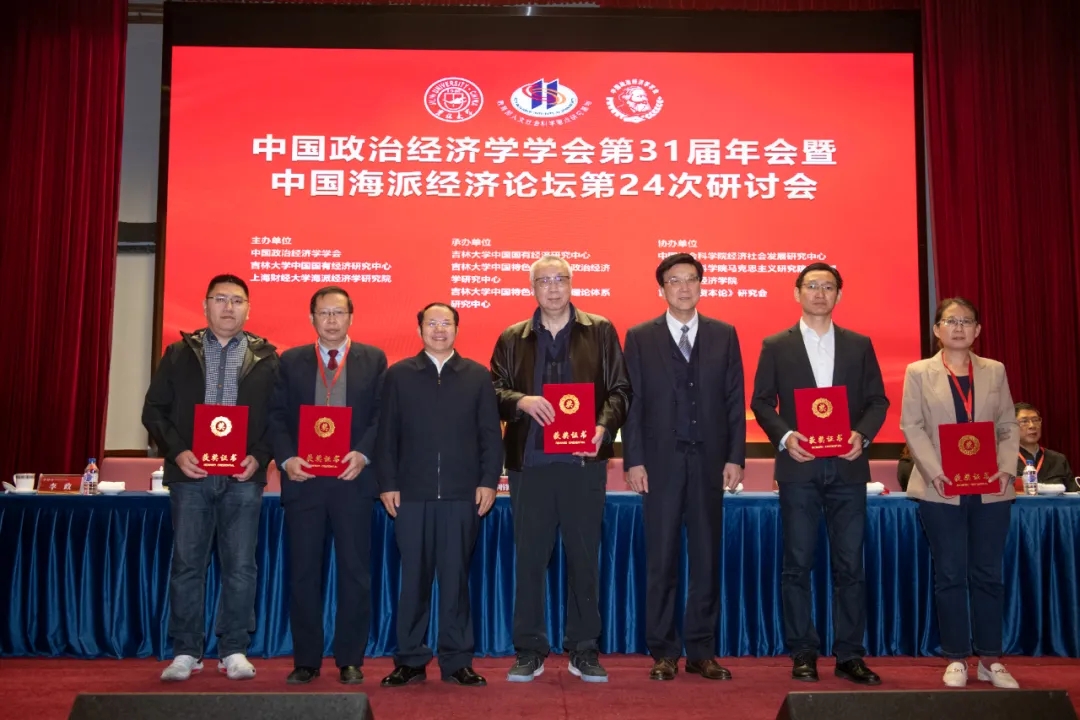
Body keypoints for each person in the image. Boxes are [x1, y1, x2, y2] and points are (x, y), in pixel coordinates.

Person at [491, 254, 631, 683]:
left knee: (584, 559)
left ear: (572, 284)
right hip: (530, 466)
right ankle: (529, 649)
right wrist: (521, 401)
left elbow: (621, 390)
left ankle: (583, 648)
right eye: (544, 281)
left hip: (582, 465)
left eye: (560, 279)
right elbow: (492, 391)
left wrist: (603, 427)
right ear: (532, 288)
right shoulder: (512, 337)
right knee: (530, 561)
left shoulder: (600, 330)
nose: (553, 288)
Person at [750, 263, 888, 685]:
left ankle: (850, 655)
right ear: (797, 293)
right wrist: (785, 435)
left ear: (839, 296)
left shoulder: (859, 344)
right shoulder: (776, 345)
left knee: (851, 566)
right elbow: (761, 401)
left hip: (848, 468)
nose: (820, 293)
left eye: (828, 287)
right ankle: (803, 652)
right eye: (812, 286)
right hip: (799, 468)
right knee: (797, 564)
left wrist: (862, 434)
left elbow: (877, 401)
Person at [142, 274, 279, 682]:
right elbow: (154, 410)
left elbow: (279, 418)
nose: (228, 307)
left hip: (242, 478)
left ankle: (234, 649)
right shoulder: (178, 353)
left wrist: (259, 457)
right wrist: (177, 452)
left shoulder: (267, 358)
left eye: (237, 300)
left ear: (248, 308)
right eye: (220, 299)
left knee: (241, 567)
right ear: (205, 306)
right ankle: (186, 651)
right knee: (187, 565)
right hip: (191, 477)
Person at [621, 253, 745, 681]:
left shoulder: (724, 334)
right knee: (662, 559)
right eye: (675, 280)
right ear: (662, 289)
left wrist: (735, 456)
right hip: (659, 464)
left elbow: (734, 400)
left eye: (691, 279)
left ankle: (702, 651)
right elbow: (633, 404)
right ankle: (664, 651)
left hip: (710, 462)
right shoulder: (640, 337)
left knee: (707, 558)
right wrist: (634, 460)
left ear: (701, 285)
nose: (684, 287)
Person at [376, 303, 503, 688]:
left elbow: (490, 435)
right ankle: (410, 659)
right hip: (410, 496)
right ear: (419, 330)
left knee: (455, 581)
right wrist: (387, 483)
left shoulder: (477, 376)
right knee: (413, 581)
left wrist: (488, 481)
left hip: (462, 496)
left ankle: (457, 660)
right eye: (431, 323)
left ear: (456, 329)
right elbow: (386, 435)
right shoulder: (399, 375)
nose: (438, 329)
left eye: (446, 323)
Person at [268, 286, 386, 685]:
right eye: (324, 313)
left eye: (339, 312)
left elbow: (382, 417)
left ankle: (351, 658)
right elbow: (276, 416)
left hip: (352, 480)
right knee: (304, 573)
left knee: (355, 573)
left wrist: (363, 454)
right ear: (311, 318)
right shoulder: (291, 360)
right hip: (304, 481)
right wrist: (287, 459)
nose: (331, 320)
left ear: (351, 317)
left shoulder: (373, 359)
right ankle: (306, 659)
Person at [901, 297, 1020, 689]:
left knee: (988, 573)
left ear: (977, 330)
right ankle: (955, 657)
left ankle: (990, 658)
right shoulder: (919, 371)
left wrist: (1006, 469)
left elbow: (1007, 424)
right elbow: (912, 425)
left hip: (991, 488)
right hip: (941, 489)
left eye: (966, 321)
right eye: (950, 321)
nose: (958, 327)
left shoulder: (994, 370)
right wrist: (934, 472)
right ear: (937, 329)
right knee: (950, 573)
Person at [1014, 403, 1078, 491]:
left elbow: (1073, 494)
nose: (1032, 426)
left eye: (1036, 420)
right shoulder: (1002, 460)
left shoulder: (1058, 459)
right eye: (1024, 421)